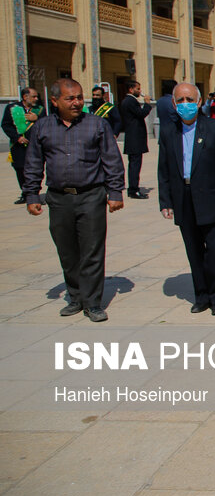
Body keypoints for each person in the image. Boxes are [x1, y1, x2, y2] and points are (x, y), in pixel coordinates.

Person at [22, 78, 125, 322]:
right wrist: (31, 194)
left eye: (79, 97)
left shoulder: (97, 125)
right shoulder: (43, 128)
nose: (77, 102)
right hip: (58, 199)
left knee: (92, 251)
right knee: (67, 252)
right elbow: (34, 163)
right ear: (55, 101)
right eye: (70, 98)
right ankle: (76, 297)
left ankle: (92, 303)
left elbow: (112, 160)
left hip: (91, 196)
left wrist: (115, 193)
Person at [158, 83, 215, 315]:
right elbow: (164, 168)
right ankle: (201, 296)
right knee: (194, 251)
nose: (185, 105)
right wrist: (166, 201)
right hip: (184, 198)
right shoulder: (169, 131)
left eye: (189, 99)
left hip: (211, 198)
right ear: (173, 104)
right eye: (180, 101)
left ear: (199, 102)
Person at [2, 86, 45, 204]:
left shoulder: (40, 110)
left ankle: (34, 193)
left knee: (36, 169)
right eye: (34, 96)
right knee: (20, 169)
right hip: (18, 146)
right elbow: (6, 125)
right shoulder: (12, 108)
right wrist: (17, 138)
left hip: (35, 146)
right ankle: (25, 193)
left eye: (37, 96)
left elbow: (47, 124)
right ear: (25, 97)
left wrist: (37, 118)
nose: (36, 99)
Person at [119, 80, 152, 199]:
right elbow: (141, 113)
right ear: (131, 89)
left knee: (135, 164)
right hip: (134, 138)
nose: (140, 91)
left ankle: (134, 187)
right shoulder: (130, 101)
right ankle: (133, 189)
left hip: (134, 138)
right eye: (138, 89)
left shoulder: (129, 101)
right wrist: (147, 104)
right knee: (135, 165)